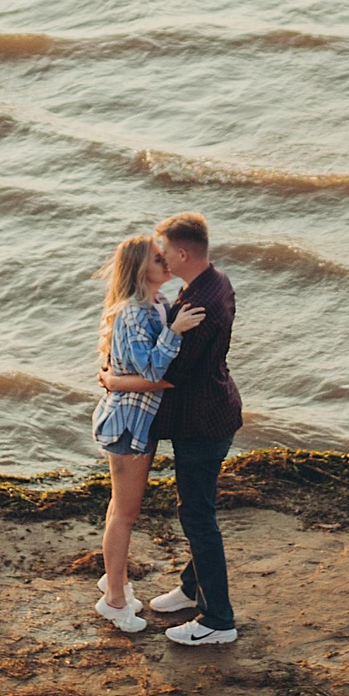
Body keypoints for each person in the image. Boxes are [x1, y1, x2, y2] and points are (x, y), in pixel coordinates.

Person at [98, 211, 239, 646]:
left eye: (164, 255)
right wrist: (116, 377)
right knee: (137, 511)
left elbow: (173, 372)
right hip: (139, 421)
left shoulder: (185, 304)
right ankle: (126, 594)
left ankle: (216, 618)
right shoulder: (203, 289)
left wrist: (115, 379)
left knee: (195, 515)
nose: (162, 260)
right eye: (154, 257)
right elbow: (146, 356)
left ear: (180, 254)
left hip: (198, 421)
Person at [89, 233, 203, 634]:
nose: (167, 262)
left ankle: (113, 578)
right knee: (125, 513)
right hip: (127, 425)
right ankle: (114, 601)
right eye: (158, 259)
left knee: (120, 509)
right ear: (140, 269)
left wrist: (173, 324)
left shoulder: (157, 304)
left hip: (139, 422)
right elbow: (154, 371)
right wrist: (176, 332)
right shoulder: (135, 312)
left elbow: (131, 368)